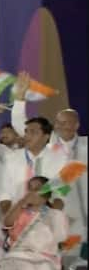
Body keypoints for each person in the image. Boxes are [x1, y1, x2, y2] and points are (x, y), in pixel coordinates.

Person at [0, 117, 66, 218]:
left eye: (33, 132)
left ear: (46, 137)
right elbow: (5, 195)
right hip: (17, 221)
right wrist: (13, 220)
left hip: (48, 222)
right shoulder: (11, 159)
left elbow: (61, 194)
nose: (27, 136)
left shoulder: (59, 160)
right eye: (26, 132)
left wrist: (48, 218)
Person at [49, 108, 87, 257]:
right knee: (68, 262)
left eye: (65, 122)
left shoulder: (86, 146)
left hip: (85, 213)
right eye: (58, 122)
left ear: (76, 125)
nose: (60, 126)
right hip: (65, 219)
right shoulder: (47, 152)